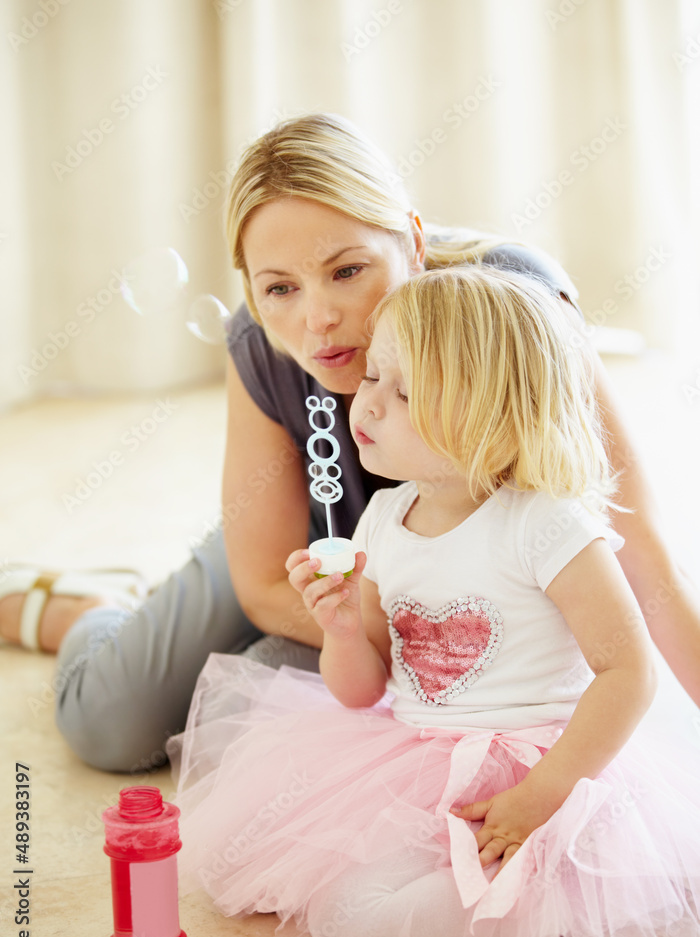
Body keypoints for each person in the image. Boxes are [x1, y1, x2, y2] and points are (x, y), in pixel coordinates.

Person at [1, 113, 698, 773]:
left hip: (481, 566)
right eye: (279, 288)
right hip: (324, 544)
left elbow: (634, 538)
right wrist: (397, 637)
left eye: (347, 271)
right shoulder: (265, 344)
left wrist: (462, 636)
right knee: (111, 721)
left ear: (414, 243)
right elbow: (265, 580)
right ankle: (93, 612)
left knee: (257, 720)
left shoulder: (512, 307)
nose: (319, 320)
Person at [168, 266, 700, 937]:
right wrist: (344, 630)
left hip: (540, 771)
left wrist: (542, 795)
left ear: (493, 415)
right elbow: (365, 691)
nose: (369, 402)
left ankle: (551, 894)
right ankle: (489, 880)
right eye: (376, 374)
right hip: (420, 757)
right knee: (240, 860)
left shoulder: (545, 524)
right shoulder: (387, 518)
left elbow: (629, 673)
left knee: (346, 925)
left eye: (405, 391)